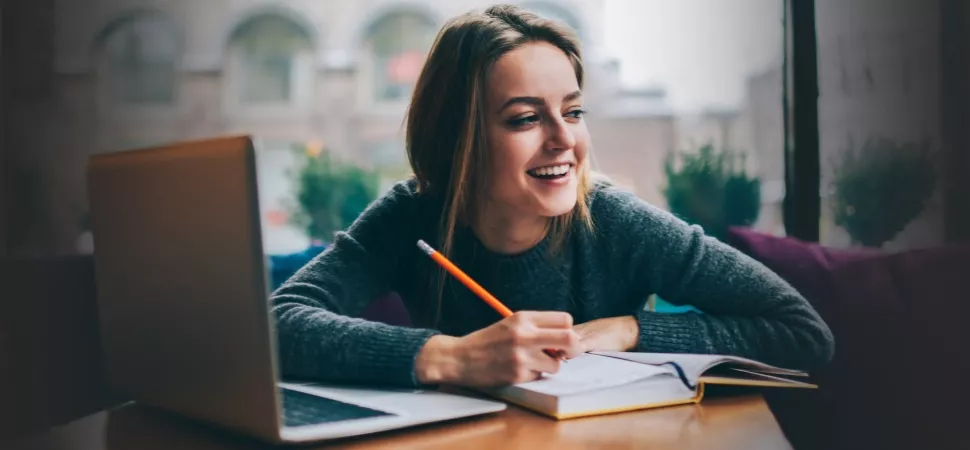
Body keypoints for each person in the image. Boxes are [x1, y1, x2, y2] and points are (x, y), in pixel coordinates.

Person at [270, 4, 834, 389]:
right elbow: (279, 322)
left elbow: (803, 334)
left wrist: (630, 330)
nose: (565, 140)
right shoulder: (413, 214)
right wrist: (450, 356)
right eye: (524, 118)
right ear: (455, 140)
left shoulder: (615, 221)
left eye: (573, 111)